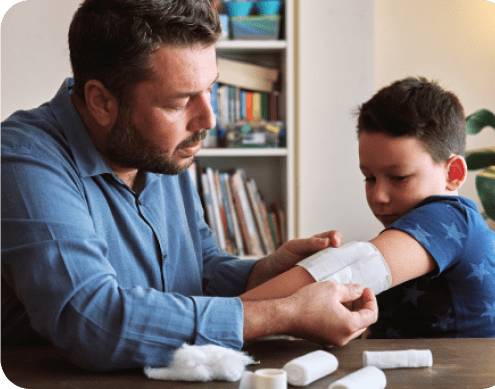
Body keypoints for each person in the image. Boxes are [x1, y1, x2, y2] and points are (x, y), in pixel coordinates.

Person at [1, 0, 378, 372]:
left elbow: (198, 271)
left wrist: (263, 272)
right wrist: (285, 314)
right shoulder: (22, 161)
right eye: (180, 102)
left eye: (210, 90)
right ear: (101, 101)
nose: (209, 119)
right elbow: (91, 320)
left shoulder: (158, 149)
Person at [242, 77, 495, 338]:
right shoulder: (407, 240)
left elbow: (349, 268)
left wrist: (222, 317)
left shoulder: (451, 217)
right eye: (369, 178)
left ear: (454, 173)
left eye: (399, 178)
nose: (378, 196)